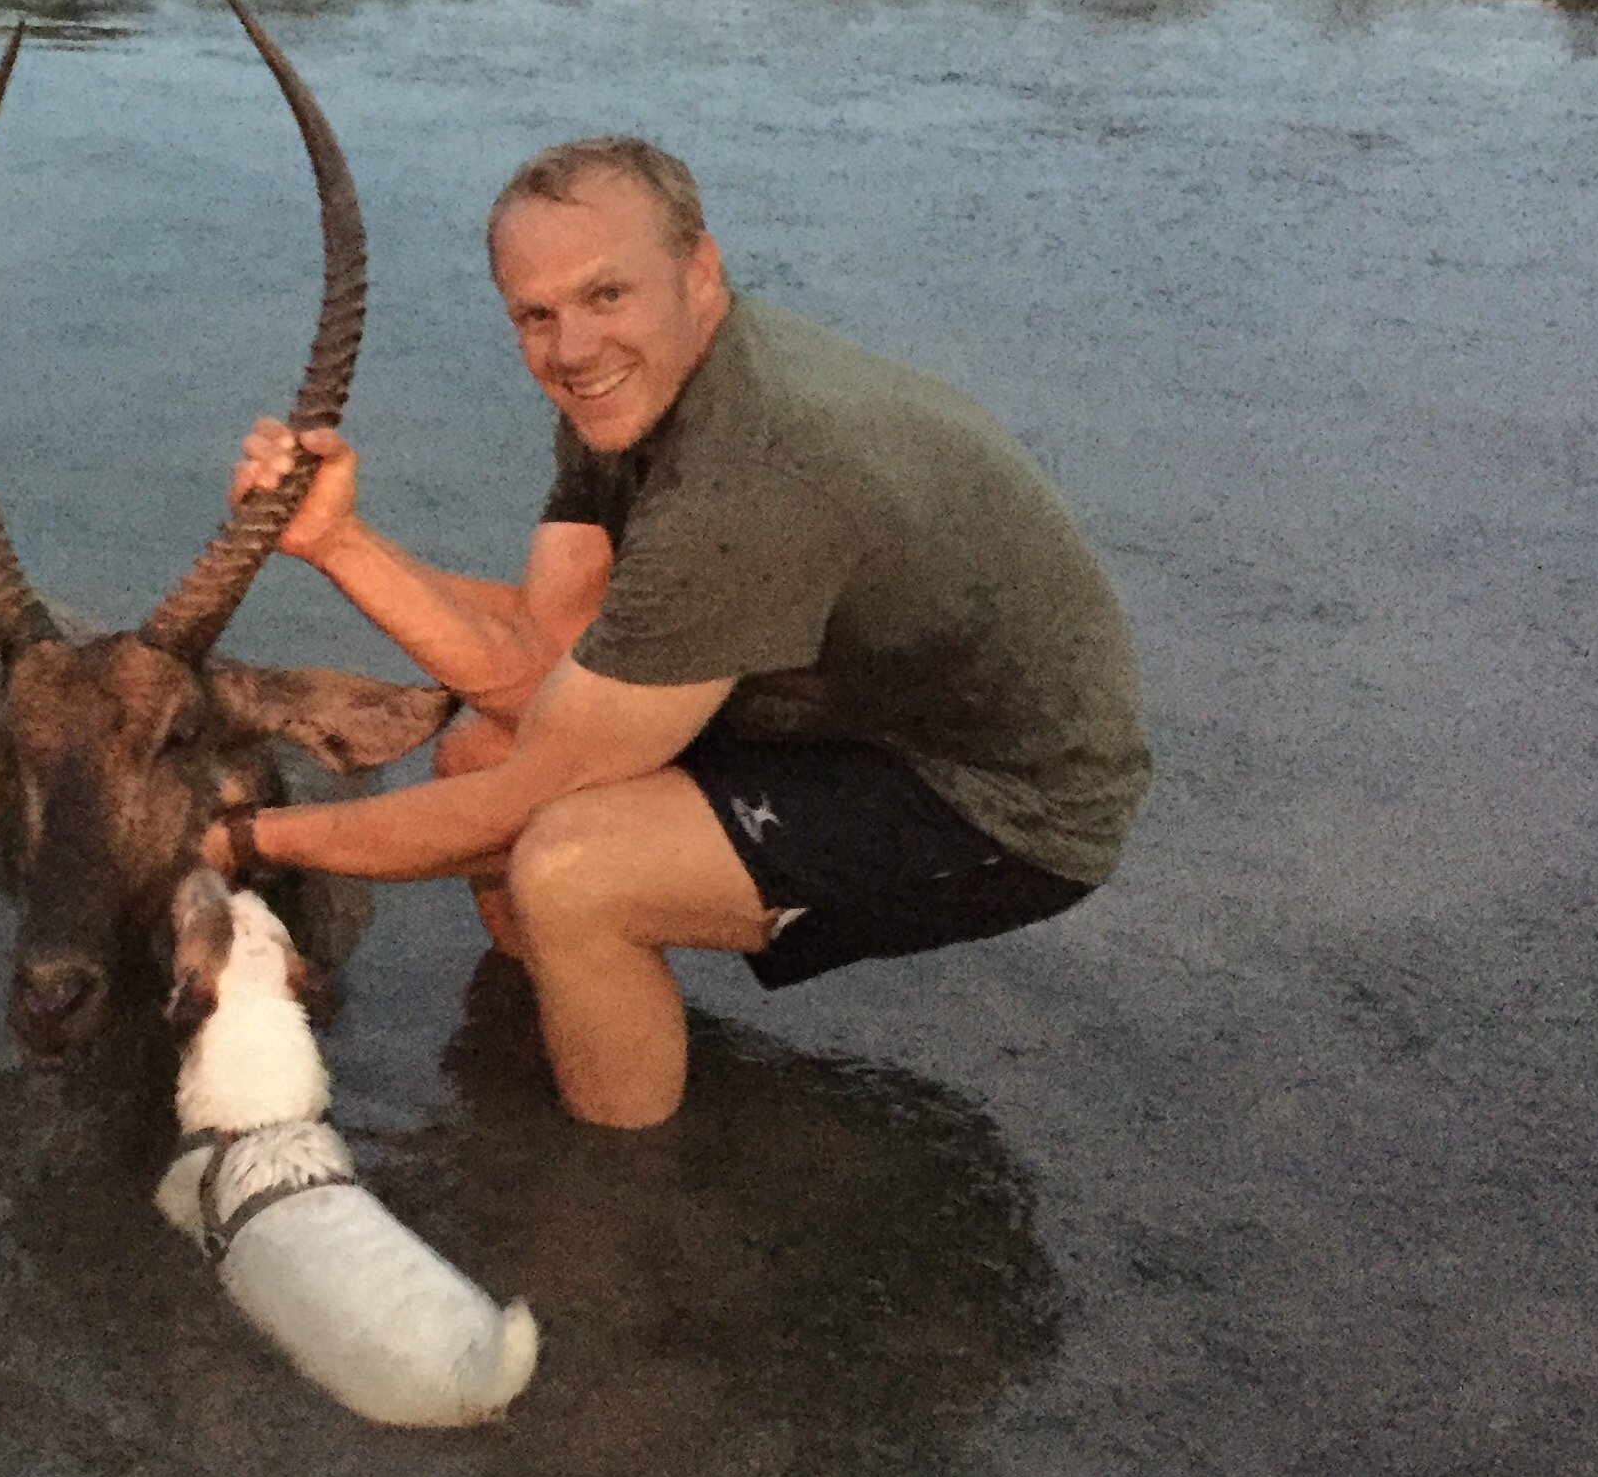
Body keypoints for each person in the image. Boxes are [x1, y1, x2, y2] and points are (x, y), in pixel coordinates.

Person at [201, 136, 1149, 1130]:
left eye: (607, 295)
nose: (570, 348)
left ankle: (621, 1200)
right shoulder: (625, 392)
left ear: (701, 273)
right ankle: (572, 1019)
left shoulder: (749, 477)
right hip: (852, 709)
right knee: (484, 747)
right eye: (537, 314)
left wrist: (242, 840)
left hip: (1002, 801)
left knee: (573, 868)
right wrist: (337, 542)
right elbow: (544, 668)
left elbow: (526, 799)